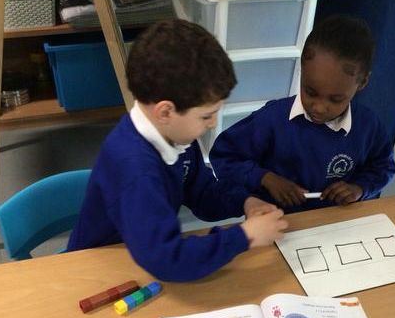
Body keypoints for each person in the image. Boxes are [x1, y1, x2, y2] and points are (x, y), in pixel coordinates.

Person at [67, 19, 287, 282]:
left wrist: (244, 201)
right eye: (206, 116)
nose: (213, 123)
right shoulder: (136, 169)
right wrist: (244, 236)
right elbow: (168, 259)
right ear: (165, 112)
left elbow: (202, 193)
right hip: (97, 271)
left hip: (139, 258)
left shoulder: (174, 135)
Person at [210, 14, 395, 213]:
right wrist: (265, 178)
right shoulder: (272, 119)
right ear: (302, 68)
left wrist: (359, 188)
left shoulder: (367, 126)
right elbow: (224, 157)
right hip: (276, 221)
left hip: (339, 222)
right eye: (311, 92)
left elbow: (384, 166)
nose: (319, 107)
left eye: (335, 99)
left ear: (362, 83)